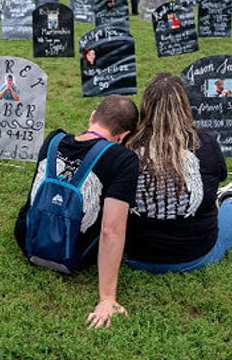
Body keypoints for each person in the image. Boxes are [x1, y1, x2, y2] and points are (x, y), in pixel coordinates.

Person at [14, 95, 140, 328]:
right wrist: (107, 299)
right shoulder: (123, 159)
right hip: (76, 253)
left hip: (27, 239)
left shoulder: (53, 139)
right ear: (123, 137)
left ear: (92, 117)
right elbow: (110, 231)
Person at [124, 73, 232, 273]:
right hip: (196, 256)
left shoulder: (128, 145)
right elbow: (220, 174)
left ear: (146, 106)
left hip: (134, 256)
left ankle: (222, 198)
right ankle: (227, 198)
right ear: (185, 104)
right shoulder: (205, 141)